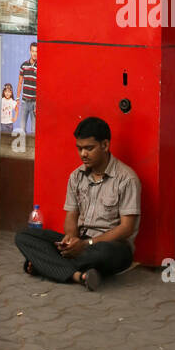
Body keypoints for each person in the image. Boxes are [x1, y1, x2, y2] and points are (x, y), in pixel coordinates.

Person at [14, 117, 140, 291]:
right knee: (24, 236)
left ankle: (45, 265)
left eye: (89, 148)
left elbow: (127, 228)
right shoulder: (76, 176)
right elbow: (71, 216)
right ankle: (78, 275)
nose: (83, 154)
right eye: (79, 149)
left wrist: (86, 245)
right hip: (81, 243)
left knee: (105, 253)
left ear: (105, 145)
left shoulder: (127, 179)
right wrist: (71, 240)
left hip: (110, 247)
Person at [16, 41, 37, 135]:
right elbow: (20, 83)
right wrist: (17, 99)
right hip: (24, 102)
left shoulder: (41, 66)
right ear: (30, 51)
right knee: (22, 130)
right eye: (33, 51)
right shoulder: (23, 66)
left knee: (34, 131)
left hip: (34, 103)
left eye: (37, 51)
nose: (35, 53)